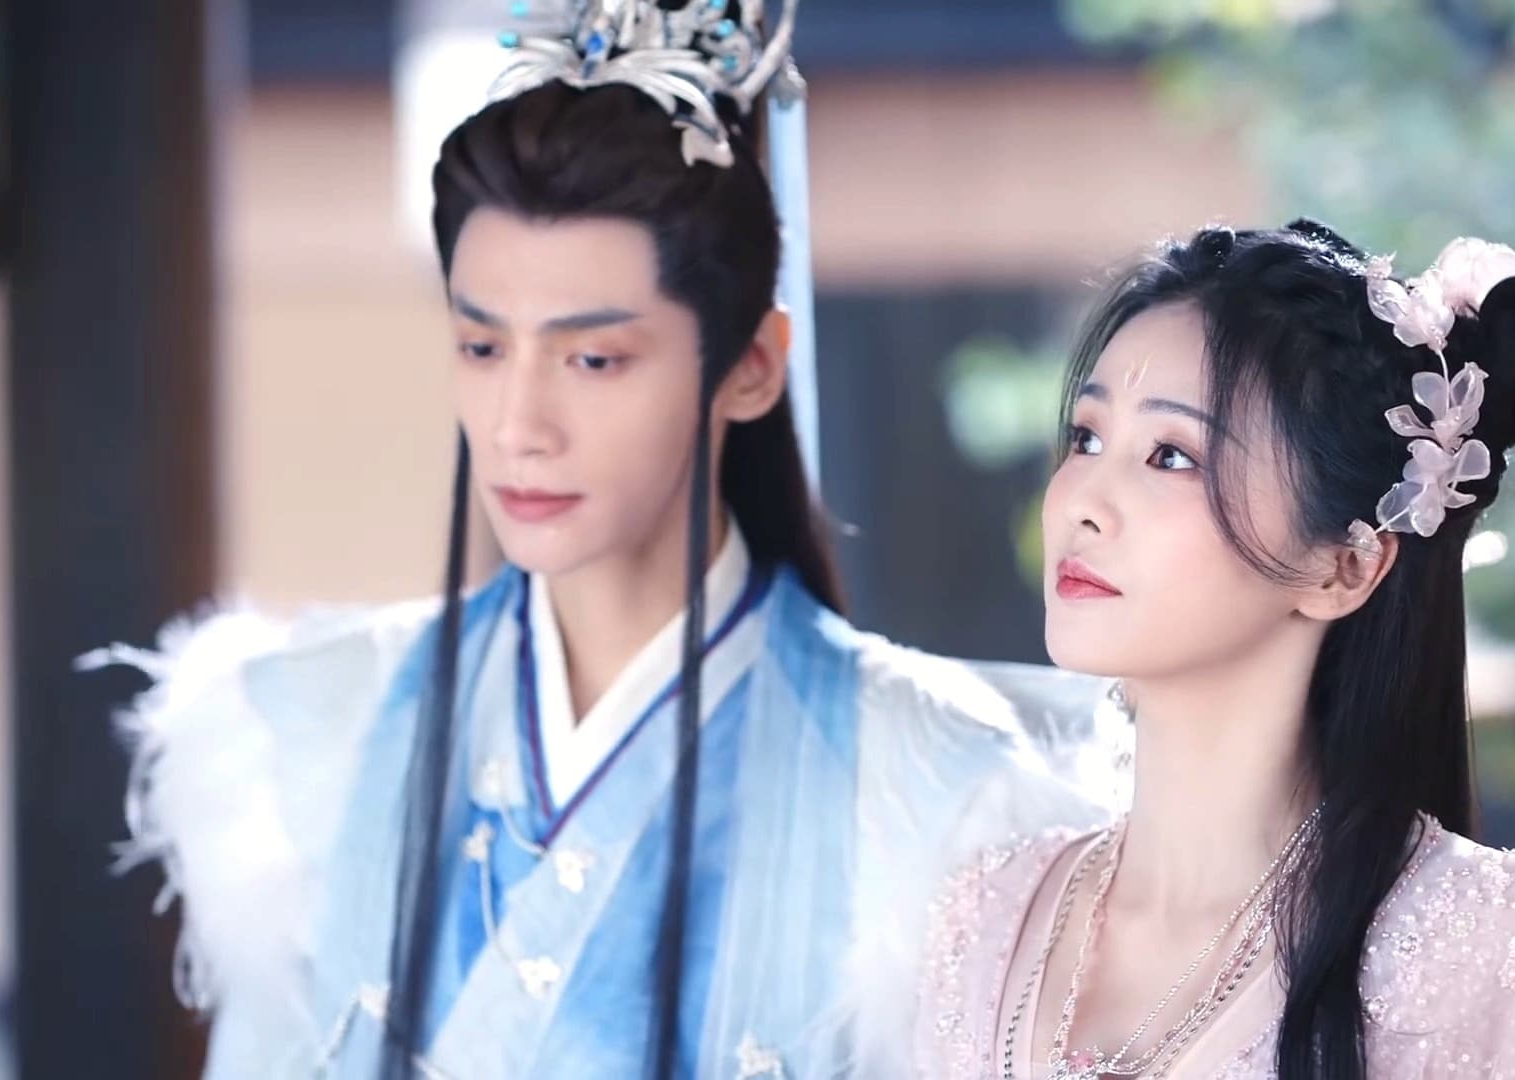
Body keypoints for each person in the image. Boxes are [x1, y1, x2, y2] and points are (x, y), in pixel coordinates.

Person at [96, 3, 1113, 1077]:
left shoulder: (928, 799)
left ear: (752, 366)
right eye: (483, 347)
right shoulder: (317, 735)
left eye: (593, 360)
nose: (518, 426)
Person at [917, 221, 1515, 1079]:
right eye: (1087, 437)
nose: (1082, 502)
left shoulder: (1483, 944)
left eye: (1170, 456)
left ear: (1344, 566)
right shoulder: (989, 915)